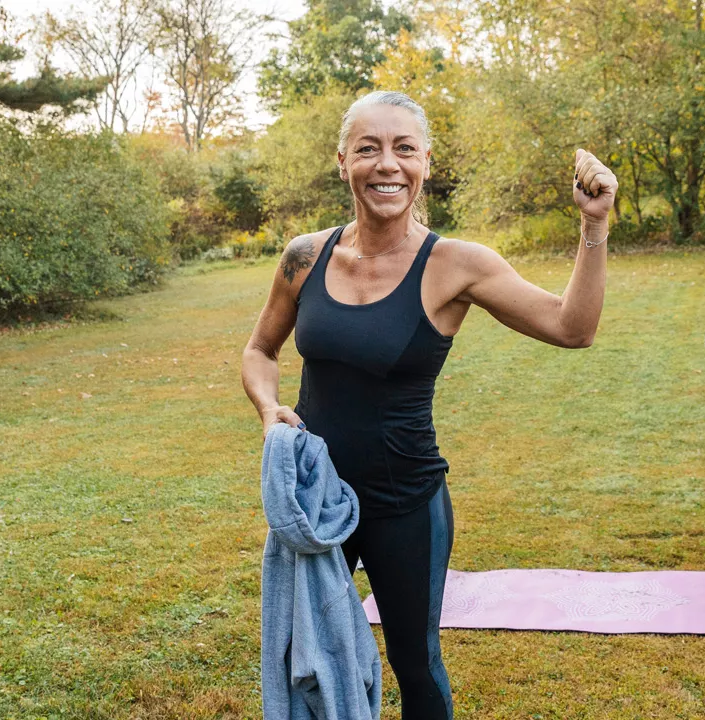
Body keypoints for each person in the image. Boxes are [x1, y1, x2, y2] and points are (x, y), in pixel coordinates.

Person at [240, 90, 616, 720]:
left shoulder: (456, 265)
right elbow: (259, 350)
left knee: (416, 663)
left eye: (404, 149)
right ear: (342, 161)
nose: (387, 164)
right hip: (315, 499)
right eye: (369, 149)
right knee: (302, 651)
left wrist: (594, 224)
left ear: (425, 163)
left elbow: (571, 327)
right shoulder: (304, 256)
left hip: (404, 502)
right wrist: (267, 407)